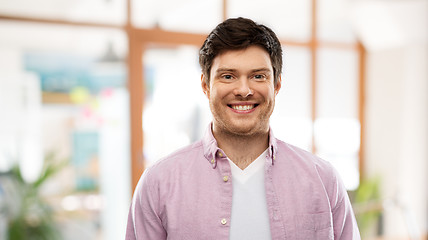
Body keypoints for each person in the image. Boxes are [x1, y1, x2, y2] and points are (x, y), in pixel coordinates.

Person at [125, 17, 360, 240]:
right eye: (228, 76)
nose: (244, 90)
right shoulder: (159, 183)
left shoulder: (323, 180)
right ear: (206, 85)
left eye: (258, 76)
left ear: (276, 84)